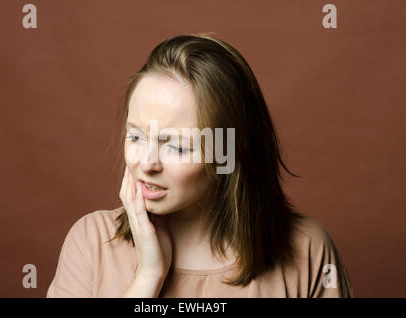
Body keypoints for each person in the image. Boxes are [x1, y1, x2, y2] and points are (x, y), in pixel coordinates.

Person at [46, 33, 354, 298]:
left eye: (177, 146)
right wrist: (148, 279)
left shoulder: (308, 250)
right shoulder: (91, 242)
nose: (147, 163)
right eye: (136, 136)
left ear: (228, 152)